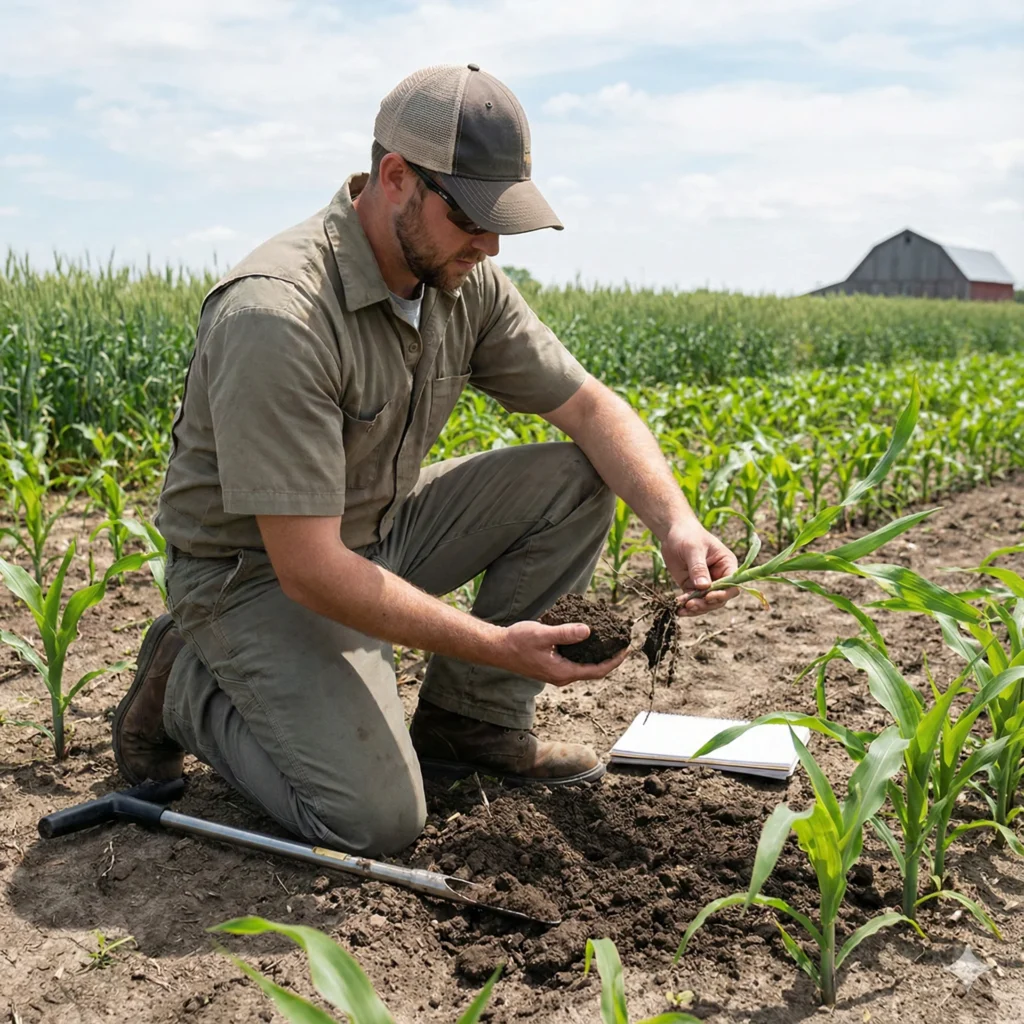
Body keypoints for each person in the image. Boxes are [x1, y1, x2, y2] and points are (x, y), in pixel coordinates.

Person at [111, 63, 739, 856]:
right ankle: (187, 687)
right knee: (373, 823)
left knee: (579, 476)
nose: (491, 242)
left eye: (500, 217)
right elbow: (308, 569)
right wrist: (493, 642)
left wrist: (676, 523)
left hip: (375, 529)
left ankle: (469, 726)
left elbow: (588, 406)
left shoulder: (459, 278)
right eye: (471, 215)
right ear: (395, 177)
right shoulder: (279, 313)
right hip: (255, 576)